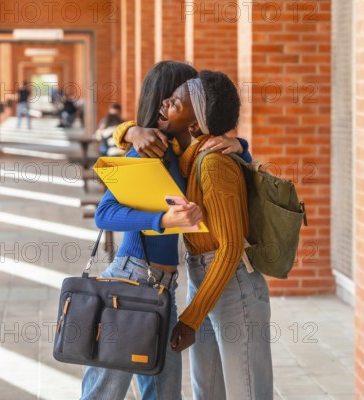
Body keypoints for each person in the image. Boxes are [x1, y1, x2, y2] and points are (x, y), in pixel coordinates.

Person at [81, 61, 252, 400]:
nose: (170, 104)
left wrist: (240, 144)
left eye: (181, 99)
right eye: (174, 96)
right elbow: (105, 214)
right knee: (104, 393)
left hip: (164, 289)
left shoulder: (181, 152)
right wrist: (162, 220)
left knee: (164, 394)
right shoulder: (149, 150)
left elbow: (216, 150)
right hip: (132, 281)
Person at [122, 71, 273, 399]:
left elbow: (231, 247)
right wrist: (130, 131)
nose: (165, 104)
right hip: (203, 280)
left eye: (174, 102)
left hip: (234, 286)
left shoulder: (212, 165)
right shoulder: (185, 156)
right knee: (208, 393)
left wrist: (189, 320)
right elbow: (131, 131)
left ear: (193, 127)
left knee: (245, 393)